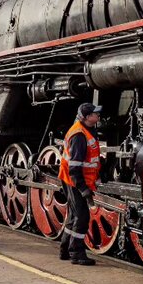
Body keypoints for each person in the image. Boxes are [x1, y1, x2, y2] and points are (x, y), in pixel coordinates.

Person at [58, 103, 102, 266]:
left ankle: (65, 250)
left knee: (74, 216)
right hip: (73, 180)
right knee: (82, 216)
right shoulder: (79, 135)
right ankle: (76, 253)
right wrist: (82, 188)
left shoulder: (88, 130)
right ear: (87, 117)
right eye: (95, 114)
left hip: (77, 178)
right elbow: (74, 167)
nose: (98, 116)